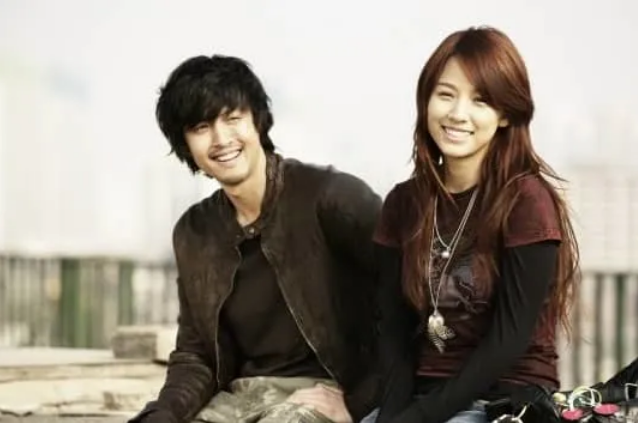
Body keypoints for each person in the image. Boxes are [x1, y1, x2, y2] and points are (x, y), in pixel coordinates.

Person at [131, 55, 381, 423]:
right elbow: (196, 355)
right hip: (241, 400)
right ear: (186, 145)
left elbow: (412, 299)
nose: (221, 139)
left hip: (326, 394)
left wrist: (360, 400)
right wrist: (162, 414)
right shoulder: (194, 230)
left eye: (232, 118)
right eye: (201, 127)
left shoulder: (332, 197)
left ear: (258, 121)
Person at [372, 26, 580, 423]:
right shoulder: (403, 203)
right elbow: (394, 333)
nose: (457, 113)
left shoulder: (526, 201)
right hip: (421, 398)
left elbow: (508, 342)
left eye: (480, 100)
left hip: (503, 401)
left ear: (505, 114)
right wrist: (393, 417)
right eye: (445, 94)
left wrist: (418, 418)